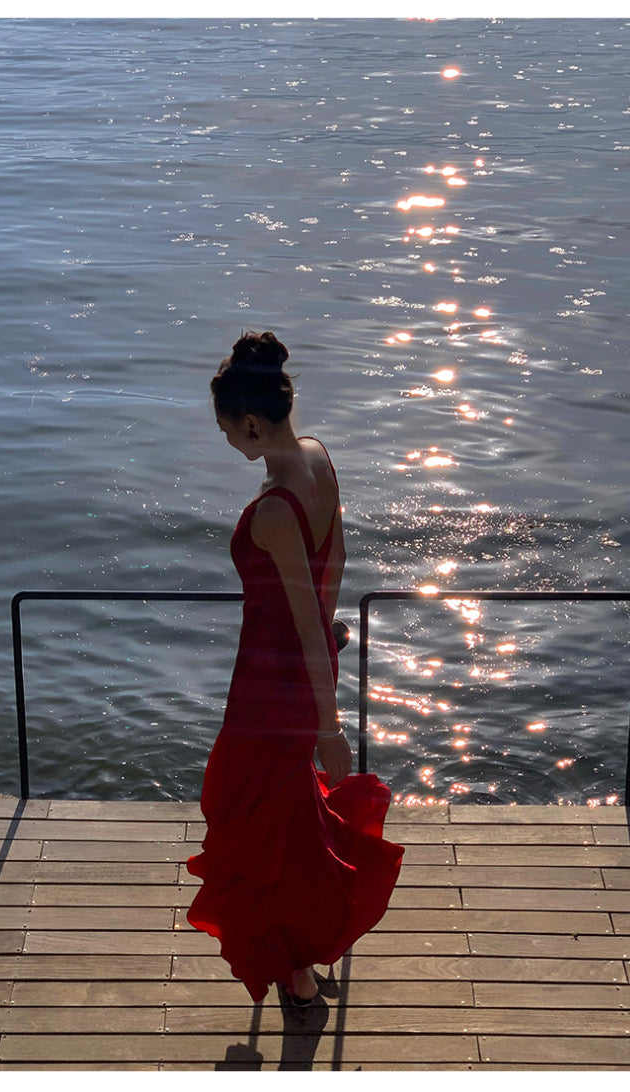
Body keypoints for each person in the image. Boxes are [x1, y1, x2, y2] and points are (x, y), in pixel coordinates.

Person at [186, 331, 404, 1007]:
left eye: (229, 431)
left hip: (268, 686)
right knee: (283, 821)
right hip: (298, 677)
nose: (230, 443)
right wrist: (327, 670)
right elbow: (335, 561)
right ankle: (299, 960)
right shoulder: (317, 457)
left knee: (253, 820)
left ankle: (298, 965)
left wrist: (329, 727)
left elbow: (306, 621)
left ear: (251, 423)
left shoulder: (275, 509)